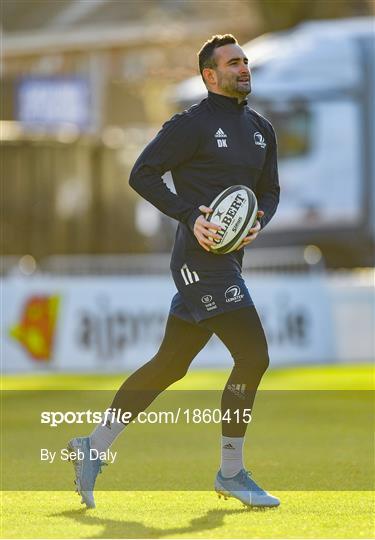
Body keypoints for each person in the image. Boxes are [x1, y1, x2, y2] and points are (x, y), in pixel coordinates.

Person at [68, 34, 280, 509]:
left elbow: (270, 191)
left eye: (245, 60)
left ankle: (92, 446)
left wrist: (258, 221)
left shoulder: (262, 128)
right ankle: (231, 472)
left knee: (170, 365)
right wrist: (190, 215)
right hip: (197, 263)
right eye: (233, 63)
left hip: (228, 260)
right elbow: (141, 172)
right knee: (253, 356)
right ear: (210, 75)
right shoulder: (191, 125)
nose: (243, 67)